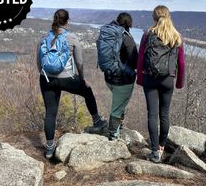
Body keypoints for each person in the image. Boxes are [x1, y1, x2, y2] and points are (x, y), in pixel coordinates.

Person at [37, 9, 106, 159]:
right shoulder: (72, 38)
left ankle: (49, 149)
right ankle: (97, 121)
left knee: (50, 112)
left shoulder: (44, 38)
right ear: (67, 21)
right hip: (66, 78)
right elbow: (79, 62)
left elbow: (39, 62)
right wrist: (82, 79)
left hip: (46, 79)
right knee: (87, 91)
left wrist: (44, 76)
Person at [137, 5, 185, 163]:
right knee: (164, 114)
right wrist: (179, 82)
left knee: (152, 114)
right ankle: (162, 146)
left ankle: (155, 151)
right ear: (169, 16)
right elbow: (181, 63)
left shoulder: (148, 34)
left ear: (154, 18)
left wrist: (140, 78)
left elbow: (141, 58)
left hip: (150, 78)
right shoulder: (176, 36)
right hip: (168, 80)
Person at [103, 13, 138, 140]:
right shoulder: (126, 38)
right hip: (122, 81)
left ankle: (118, 128)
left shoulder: (110, 35)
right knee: (117, 109)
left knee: (119, 104)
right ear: (129, 24)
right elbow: (134, 60)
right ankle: (113, 136)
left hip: (109, 77)